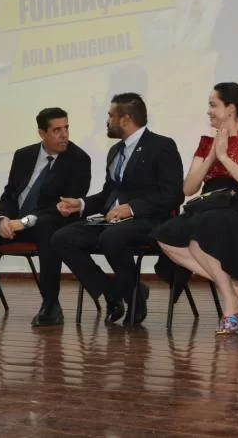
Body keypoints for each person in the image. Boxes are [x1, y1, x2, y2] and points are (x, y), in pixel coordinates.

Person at [153, 82, 238, 335]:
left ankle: (231, 304)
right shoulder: (206, 143)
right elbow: (188, 189)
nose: (208, 111)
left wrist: (225, 158)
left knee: (202, 233)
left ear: (230, 109)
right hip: (209, 207)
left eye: (213, 105)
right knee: (165, 235)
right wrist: (211, 155)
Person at [0, 107, 91, 326]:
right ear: (42, 133)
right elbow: (9, 193)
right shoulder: (24, 155)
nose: (64, 135)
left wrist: (24, 222)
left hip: (49, 221)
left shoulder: (79, 159)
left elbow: (64, 207)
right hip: (13, 222)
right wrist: (4, 219)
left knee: (48, 230)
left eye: (66, 128)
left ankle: (51, 304)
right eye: (57, 130)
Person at [52, 93, 183, 326]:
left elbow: (173, 195)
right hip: (112, 221)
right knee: (62, 238)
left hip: (149, 220)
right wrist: (80, 204)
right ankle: (112, 293)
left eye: (111, 115)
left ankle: (134, 300)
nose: (107, 121)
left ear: (125, 120)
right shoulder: (115, 152)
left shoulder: (162, 146)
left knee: (112, 238)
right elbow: (107, 194)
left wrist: (132, 208)